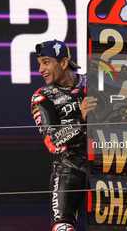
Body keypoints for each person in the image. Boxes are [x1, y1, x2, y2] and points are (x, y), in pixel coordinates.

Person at [30, 39, 97, 231]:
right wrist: (81, 121)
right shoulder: (42, 96)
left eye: (46, 62)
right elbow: (52, 143)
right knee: (62, 228)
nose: (41, 69)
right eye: (40, 64)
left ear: (64, 63)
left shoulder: (95, 83)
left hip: (105, 165)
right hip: (69, 169)